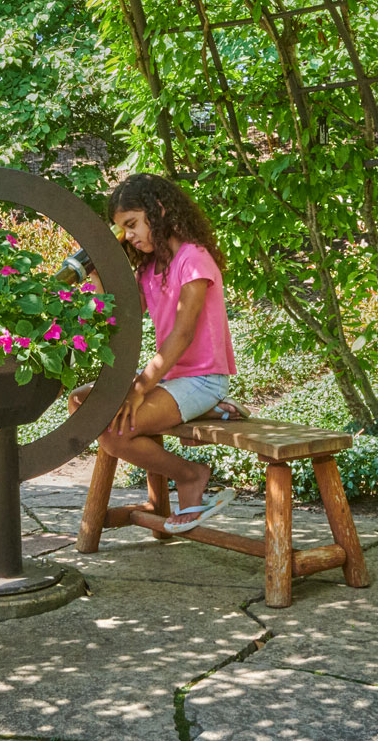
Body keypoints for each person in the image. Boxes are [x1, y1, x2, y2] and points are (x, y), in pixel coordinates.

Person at [68, 172, 245, 533]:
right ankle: (202, 418)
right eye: (123, 229)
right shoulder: (151, 267)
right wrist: (99, 275)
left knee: (115, 432)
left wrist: (139, 388)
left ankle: (190, 475)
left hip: (202, 379)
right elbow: (124, 316)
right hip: (172, 380)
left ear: (158, 210)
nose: (129, 236)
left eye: (132, 224)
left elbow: (183, 334)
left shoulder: (194, 259)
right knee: (80, 402)